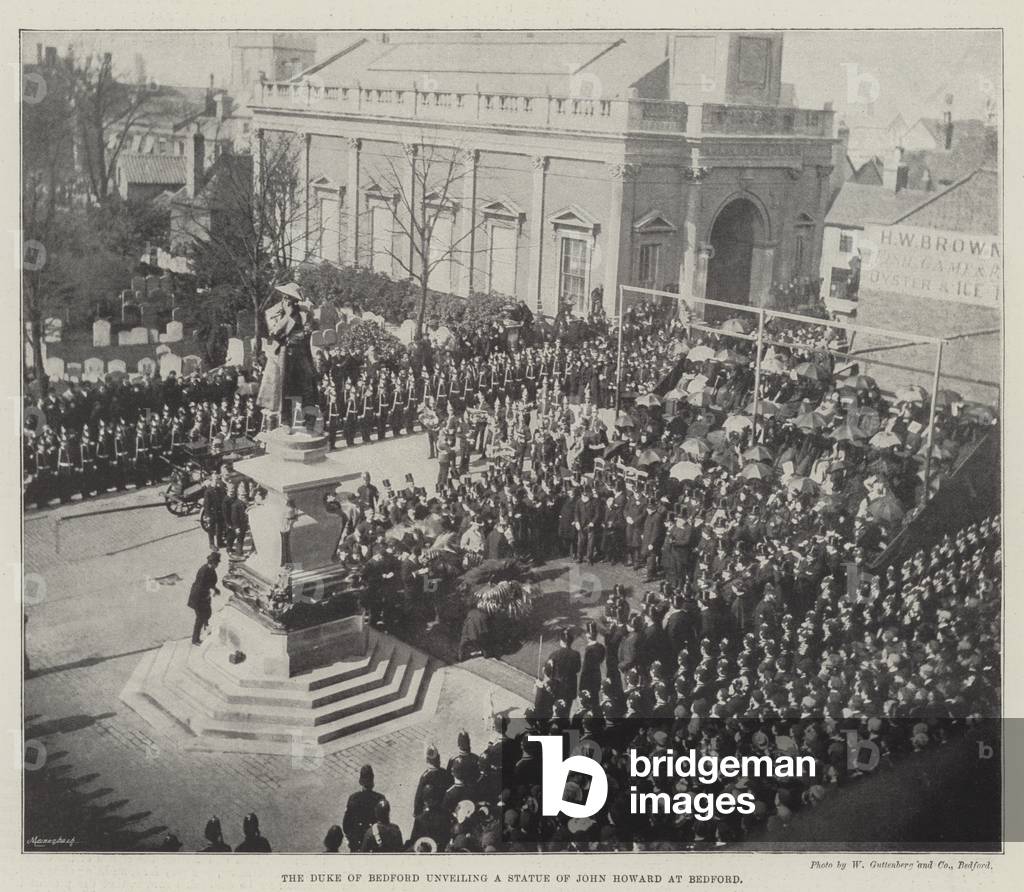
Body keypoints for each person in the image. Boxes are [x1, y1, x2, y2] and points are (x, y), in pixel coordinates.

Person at [342, 764, 385, 852]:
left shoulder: (353, 798)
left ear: (360, 782)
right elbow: (384, 824)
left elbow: (346, 825)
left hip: (357, 841)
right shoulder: (380, 798)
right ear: (372, 782)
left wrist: (351, 839)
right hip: (374, 841)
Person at [187, 552, 220, 646]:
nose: (217, 565)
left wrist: (215, 589)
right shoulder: (204, 571)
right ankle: (195, 640)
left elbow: (210, 583)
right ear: (212, 562)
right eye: (216, 563)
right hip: (198, 598)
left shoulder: (211, 569)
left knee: (207, 613)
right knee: (200, 618)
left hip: (204, 597)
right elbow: (201, 586)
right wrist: (206, 595)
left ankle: (208, 631)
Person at [280, 498, 299, 565]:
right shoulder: (292, 509)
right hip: (286, 528)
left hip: (286, 528)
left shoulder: (288, 509)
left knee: (286, 547)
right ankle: (287, 563)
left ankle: (286, 563)